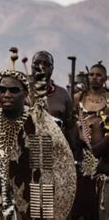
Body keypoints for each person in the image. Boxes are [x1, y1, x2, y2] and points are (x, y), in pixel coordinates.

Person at [0, 69, 76, 219]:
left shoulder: (39, 125)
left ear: (24, 94)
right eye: (2, 90)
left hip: (30, 204)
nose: (7, 95)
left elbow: (45, 171)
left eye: (13, 90)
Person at [73, 62, 109, 219]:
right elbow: (70, 125)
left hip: (105, 161)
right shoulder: (78, 98)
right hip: (81, 160)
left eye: (98, 75)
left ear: (105, 78)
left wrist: (97, 150)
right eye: (91, 74)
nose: (94, 78)